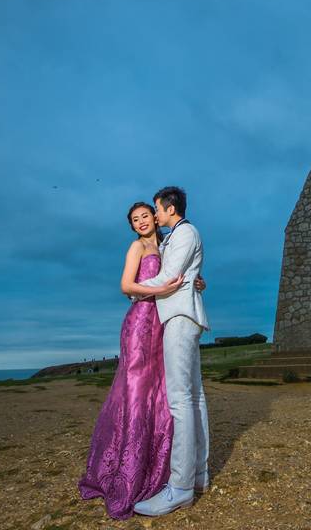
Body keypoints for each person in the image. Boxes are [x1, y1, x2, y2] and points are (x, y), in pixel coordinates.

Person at [77, 200, 206, 519]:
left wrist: (197, 283)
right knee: (135, 391)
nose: (141, 222)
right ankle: (129, 467)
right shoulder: (136, 248)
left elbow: (184, 274)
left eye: (146, 216)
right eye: (135, 220)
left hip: (164, 324)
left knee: (161, 395)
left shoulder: (171, 243)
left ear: (156, 216)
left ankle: (161, 466)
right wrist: (160, 289)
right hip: (139, 325)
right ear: (133, 226)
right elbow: (126, 286)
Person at [132, 186, 210, 516]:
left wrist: (133, 291)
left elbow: (169, 277)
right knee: (194, 398)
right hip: (182, 316)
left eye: (157, 209)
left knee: (180, 400)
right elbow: (186, 274)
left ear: (170, 209)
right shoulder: (176, 236)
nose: (155, 213)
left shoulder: (185, 232)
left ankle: (178, 487)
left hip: (179, 317)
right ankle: (198, 476)